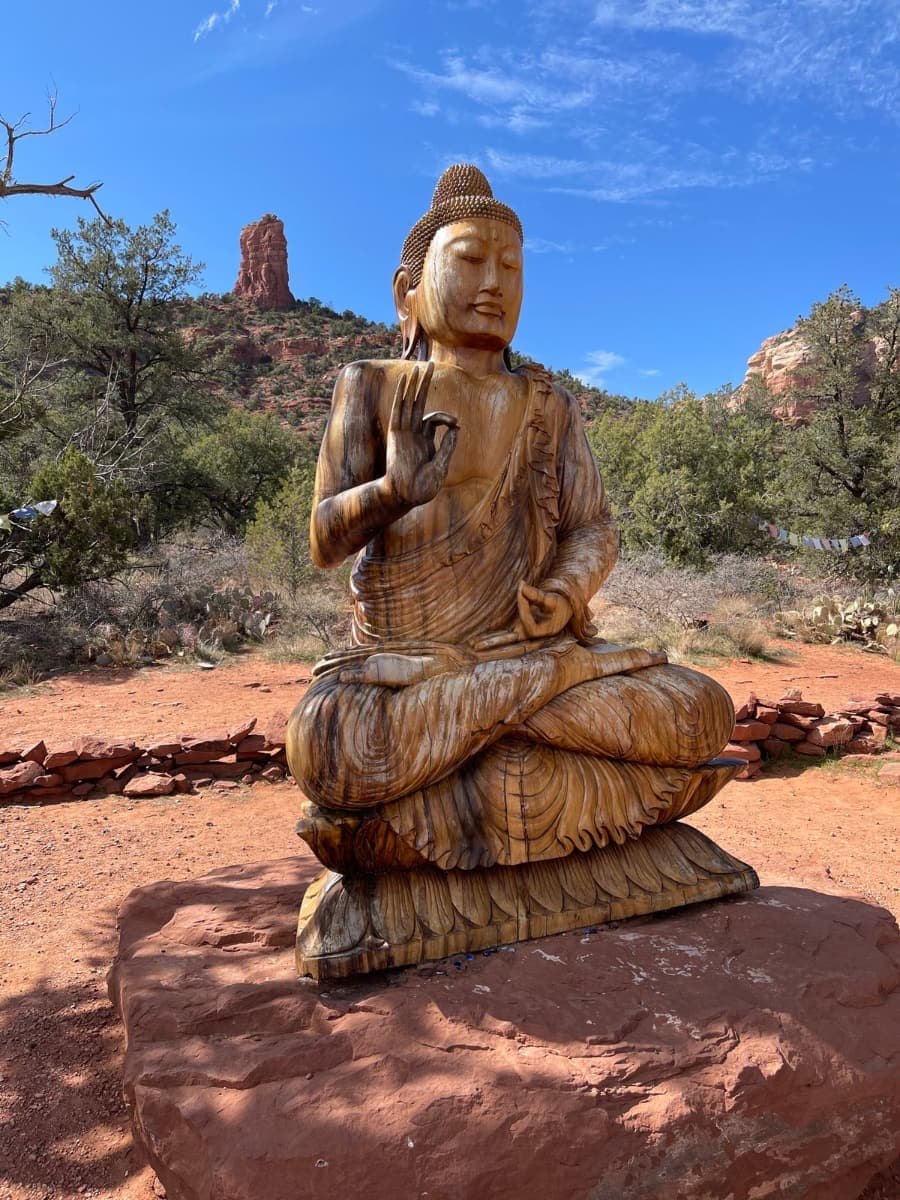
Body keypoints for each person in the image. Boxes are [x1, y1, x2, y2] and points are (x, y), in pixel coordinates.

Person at [287, 164, 734, 873]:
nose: (494, 283)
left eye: (511, 267)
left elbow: (594, 528)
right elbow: (324, 540)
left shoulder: (549, 405)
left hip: (514, 665)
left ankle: (492, 729)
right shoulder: (371, 386)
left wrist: (562, 595)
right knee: (328, 739)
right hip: (412, 674)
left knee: (700, 707)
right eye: (469, 261)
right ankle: (524, 720)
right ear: (409, 290)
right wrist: (394, 490)